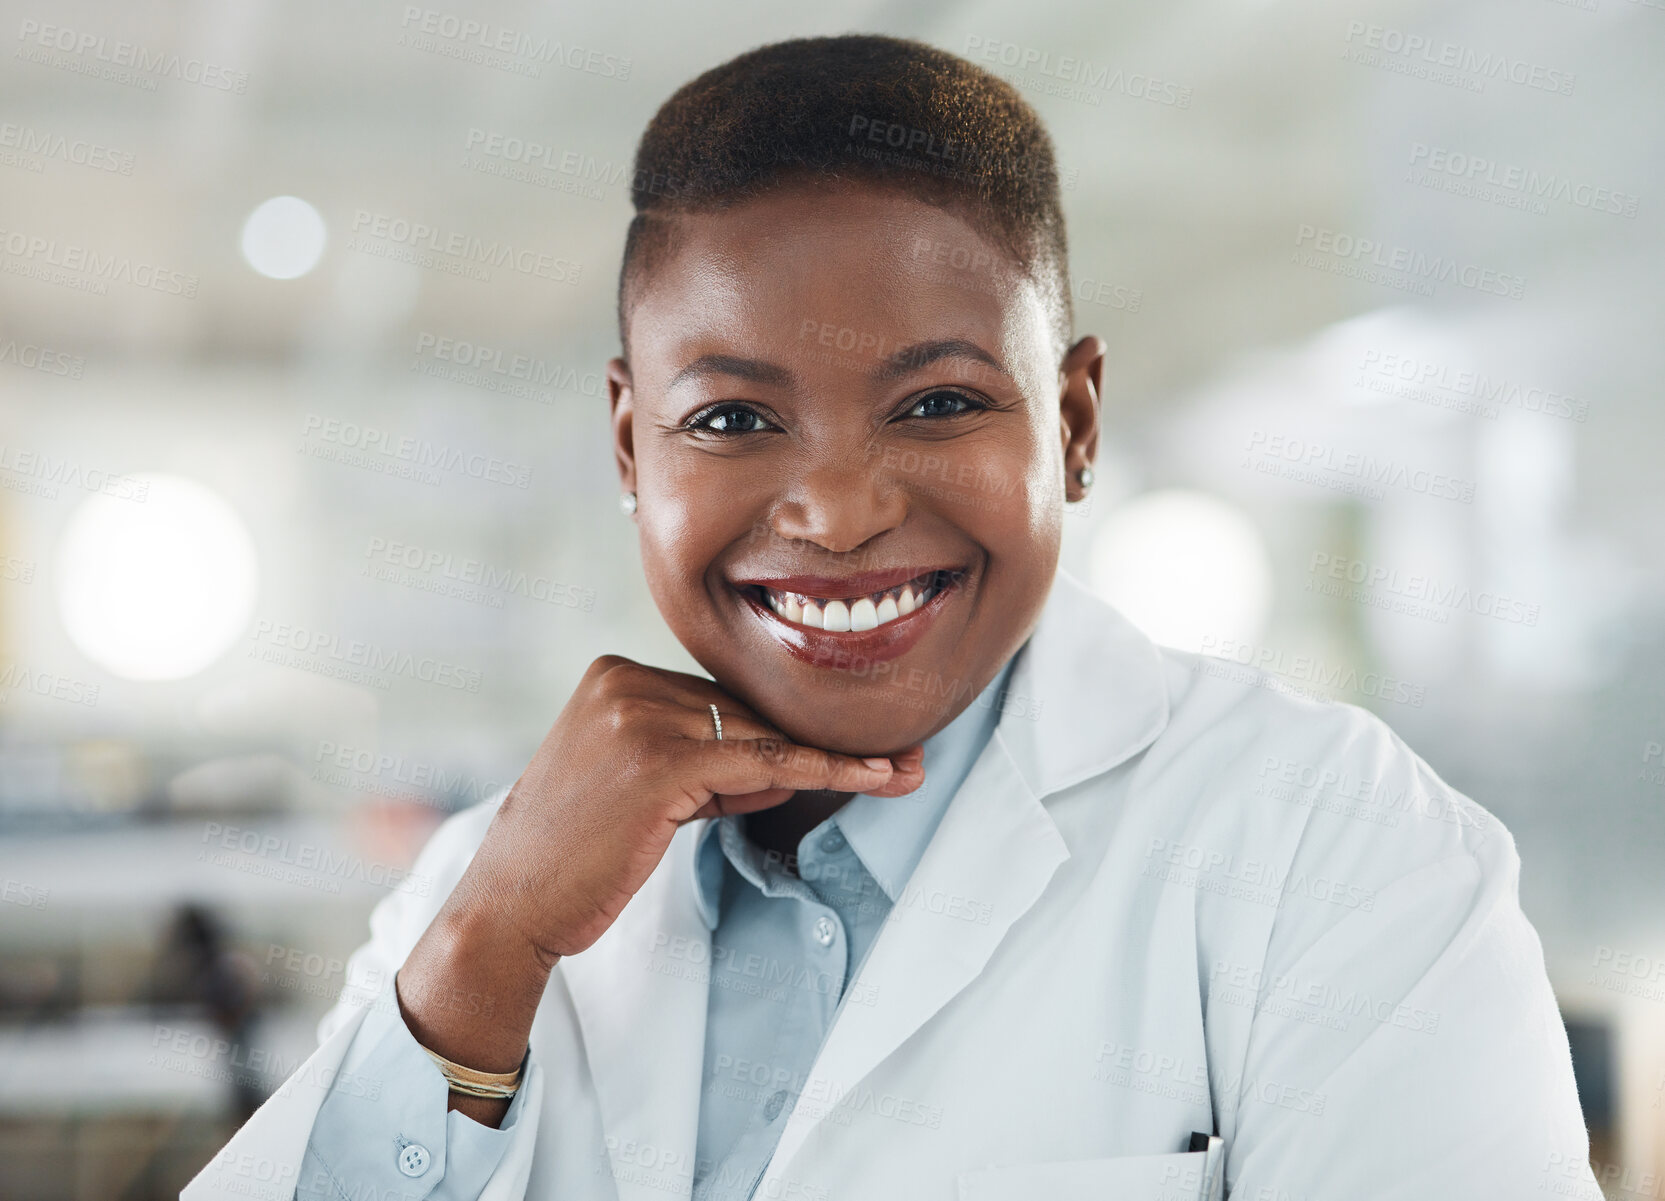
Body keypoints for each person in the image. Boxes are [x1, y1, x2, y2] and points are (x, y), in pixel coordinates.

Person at [185, 33, 1599, 1201]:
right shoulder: (472, 891)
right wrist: (487, 950)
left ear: (1074, 420)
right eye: (731, 417)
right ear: (632, 448)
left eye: (936, 404)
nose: (840, 511)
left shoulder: (1324, 847)